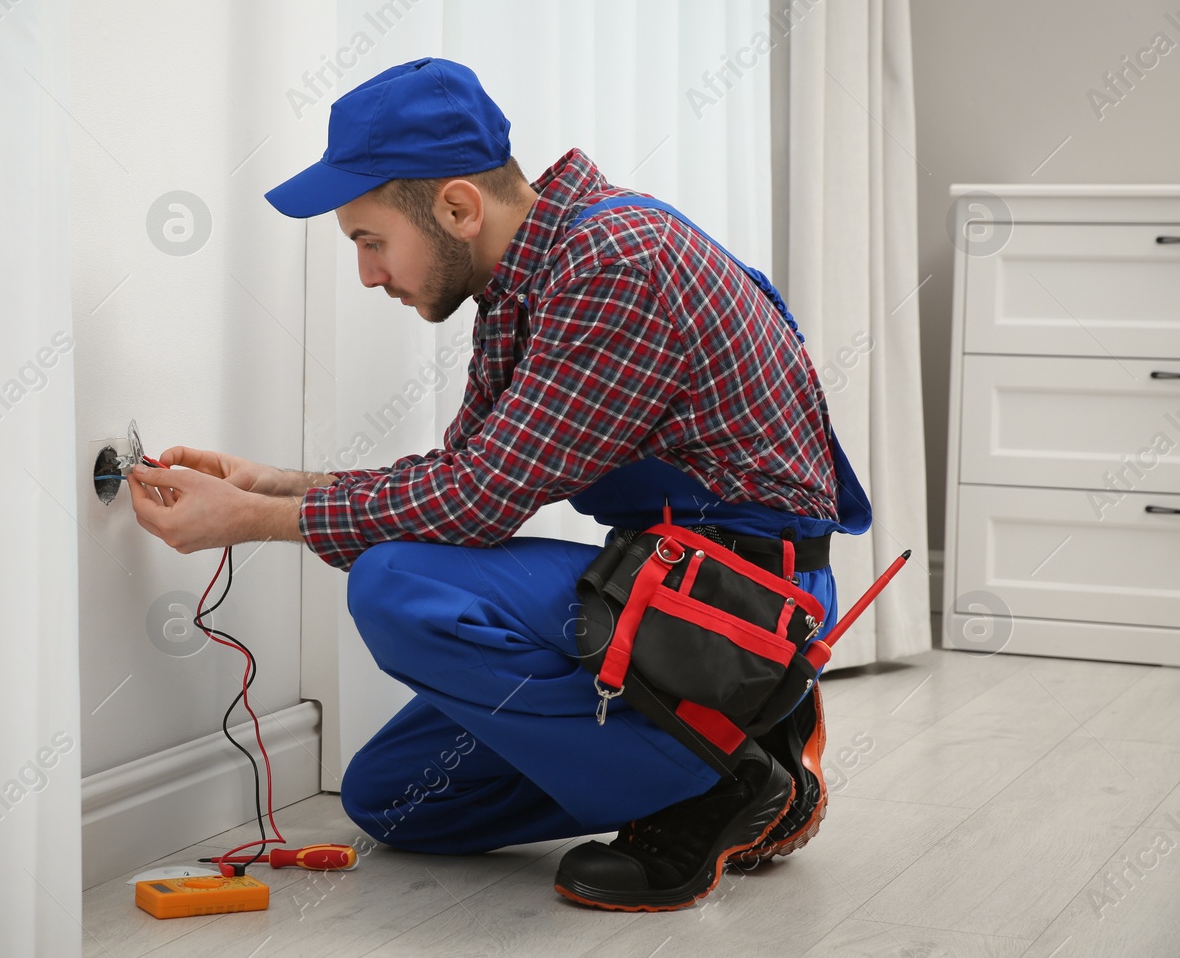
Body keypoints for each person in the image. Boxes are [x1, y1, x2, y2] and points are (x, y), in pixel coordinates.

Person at [126, 56, 871, 912]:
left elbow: (472, 504)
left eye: (370, 240)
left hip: (740, 607)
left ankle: (720, 780)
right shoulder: (526, 282)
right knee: (394, 799)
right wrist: (276, 482)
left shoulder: (617, 263)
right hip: (668, 584)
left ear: (456, 207)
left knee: (395, 581)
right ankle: (736, 739)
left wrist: (252, 520)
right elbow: (460, 478)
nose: (368, 273)